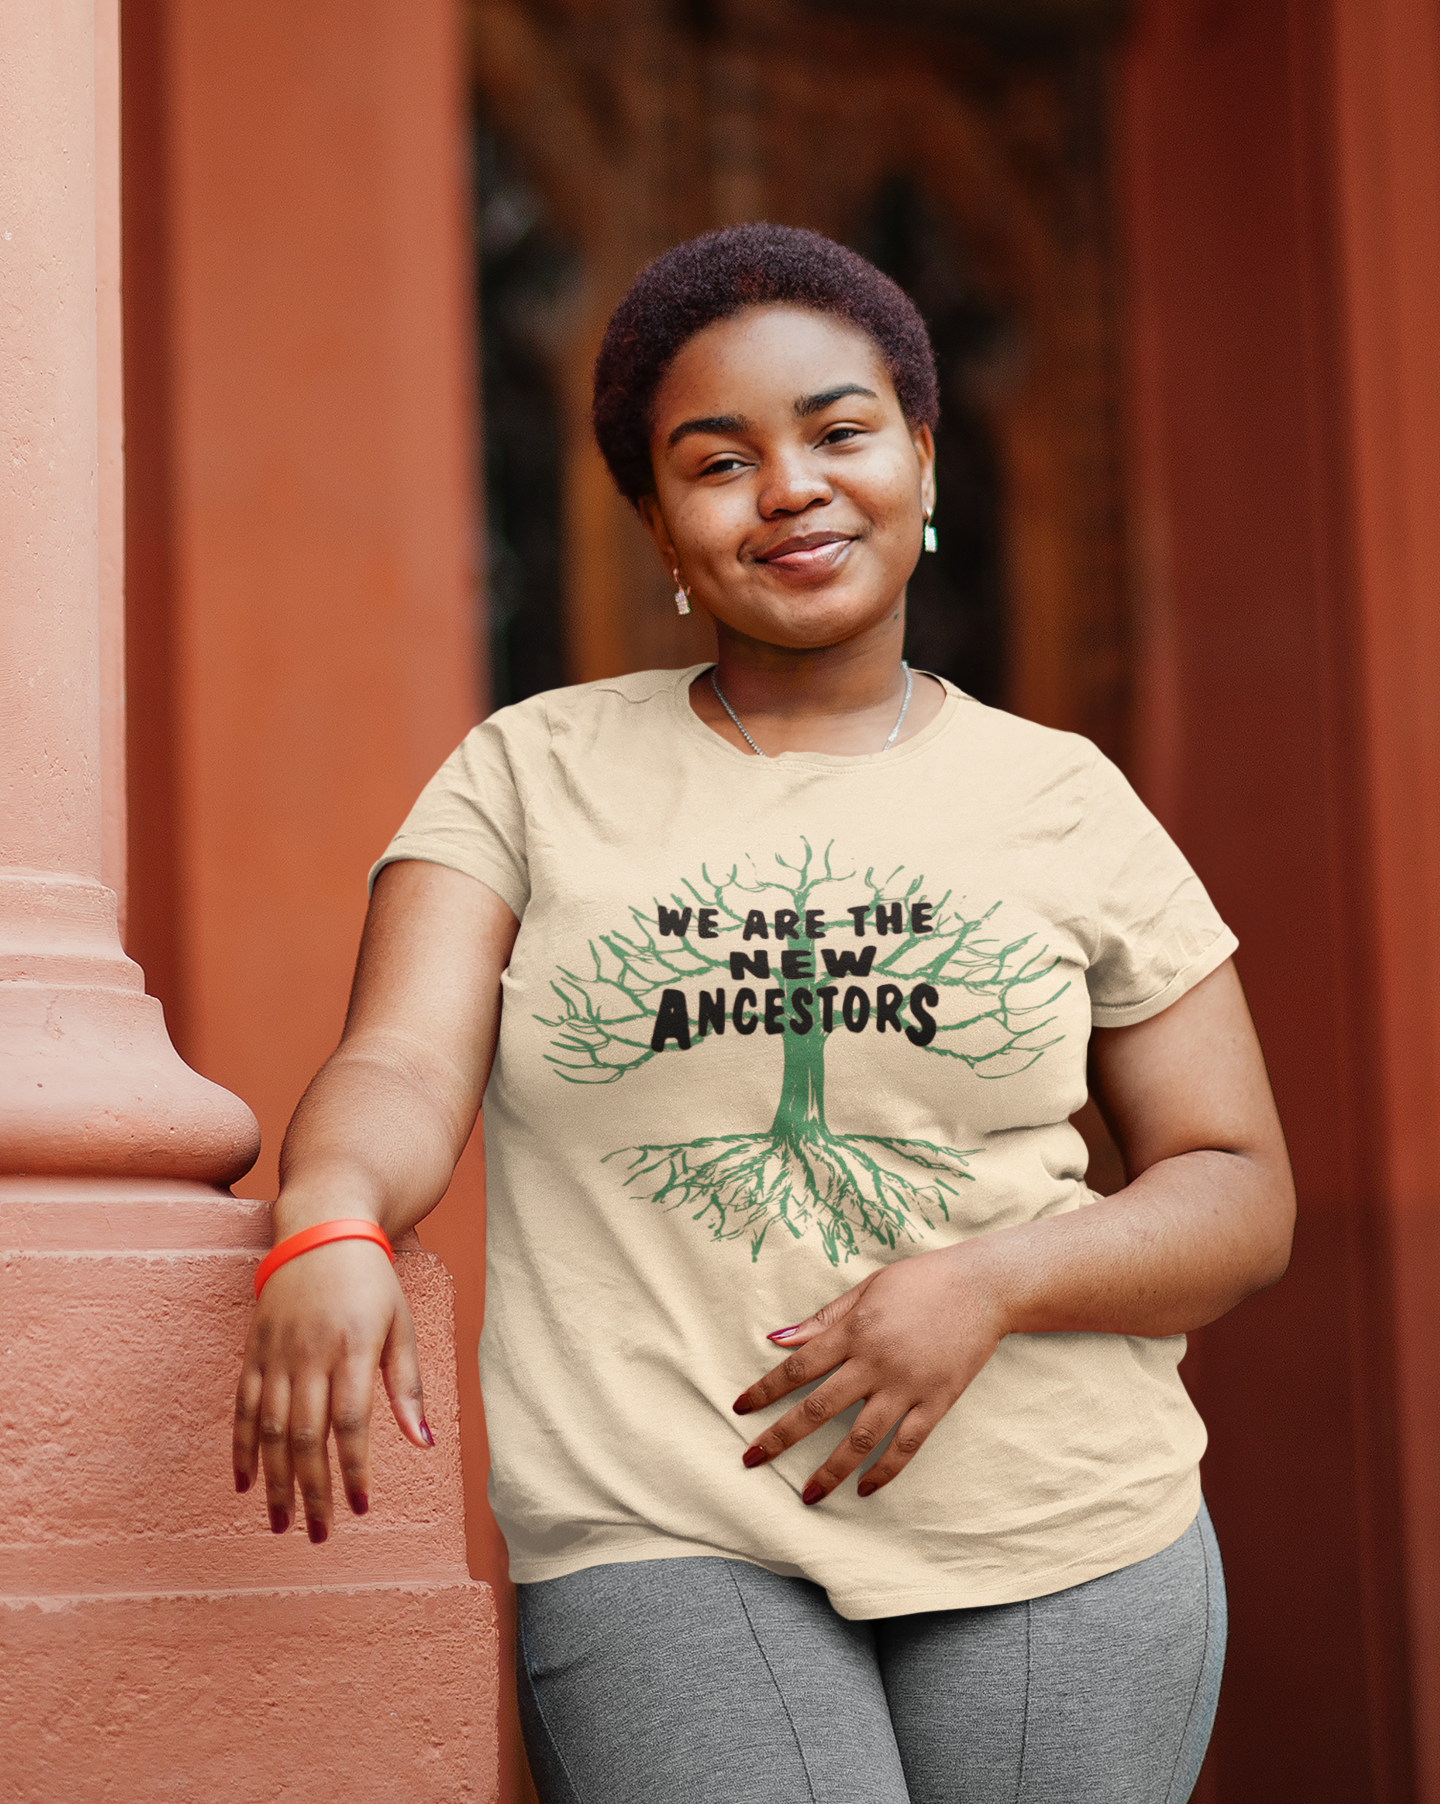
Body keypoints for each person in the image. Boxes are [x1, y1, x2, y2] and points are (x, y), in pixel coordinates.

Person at [232, 224, 1295, 1804]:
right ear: (658, 525)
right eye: (718, 463)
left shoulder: (1066, 798)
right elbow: (398, 1056)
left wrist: (990, 1285)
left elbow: (1238, 1187)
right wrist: (328, 1219)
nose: (789, 488)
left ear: (920, 460)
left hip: (1066, 1531)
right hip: (666, 1521)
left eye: (838, 432)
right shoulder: (530, 773)